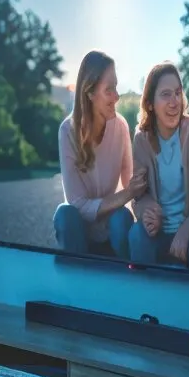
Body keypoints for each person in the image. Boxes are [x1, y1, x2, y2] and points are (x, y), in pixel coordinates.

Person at [126, 62, 189, 273]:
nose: (174, 102)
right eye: (166, 94)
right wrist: (149, 212)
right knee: (136, 234)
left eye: (177, 93)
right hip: (157, 235)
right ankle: (144, 293)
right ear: (150, 104)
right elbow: (138, 196)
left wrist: (185, 230)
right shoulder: (141, 139)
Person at [52, 50, 137, 258]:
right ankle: (78, 273)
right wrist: (126, 194)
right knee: (64, 214)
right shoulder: (67, 131)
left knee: (122, 217)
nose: (116, 96)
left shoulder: (120, 126)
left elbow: (131, 182)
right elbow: (77, 203)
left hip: (111, 226)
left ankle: (121, 273)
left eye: (116, 87)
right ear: (89, 93)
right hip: (79, 229)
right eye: (109, 90)